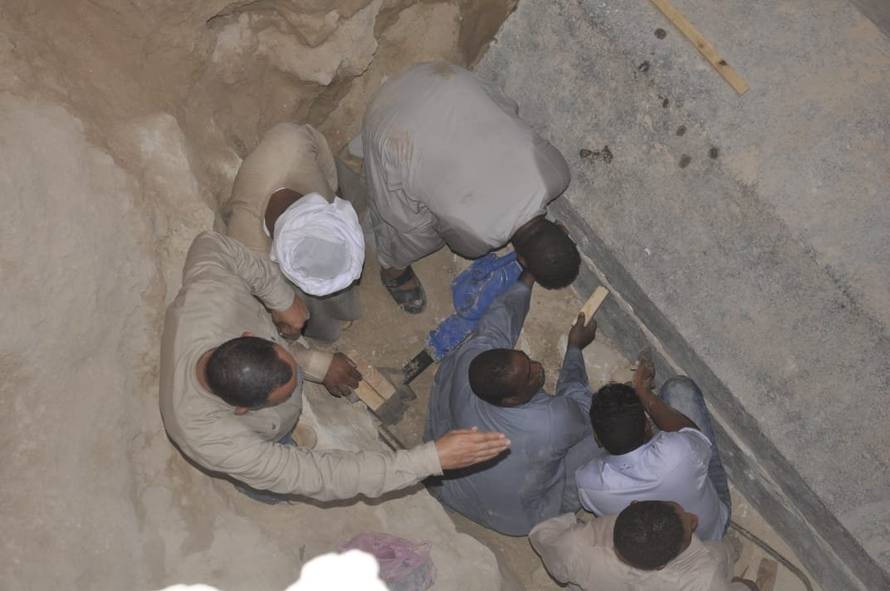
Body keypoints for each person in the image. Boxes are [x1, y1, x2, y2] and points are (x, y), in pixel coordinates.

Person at [159, 231, 510, 502]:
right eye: (283, 393)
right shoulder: (217, 441)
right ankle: (267, 478)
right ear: (242, 410)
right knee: (275, 481)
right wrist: (430, 460)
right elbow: (327, 476)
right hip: (258, 446)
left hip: (250, 368)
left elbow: (211, 244)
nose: (298, 379)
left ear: (250, 335)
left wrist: (281, 300)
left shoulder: (208, 299)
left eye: (287, 363)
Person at [360, 62, 580, 314]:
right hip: (389, 128)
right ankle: (392, 267)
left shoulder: (557, 175)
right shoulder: (477, 240)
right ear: (521, 260)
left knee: (506, 112)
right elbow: (438, 226)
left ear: (563, 229)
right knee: (415, 233)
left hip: (439, 77)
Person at [423, 269, 598, 535]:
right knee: (603, 427)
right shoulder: (550, 421)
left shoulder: (474, 359)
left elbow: (499, 320)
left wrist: (528, 277)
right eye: (530, 375)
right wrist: (574, 348)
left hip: (451, 487)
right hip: (516, 518)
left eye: (526, 360)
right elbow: (581, 404)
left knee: (463, 353)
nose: (538, 366)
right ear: (511, 399)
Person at [219, 122, 363, 343]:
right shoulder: (249, 248)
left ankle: (341, 309)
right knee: (302, 304)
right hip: (270, 262)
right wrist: (287, 323)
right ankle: (325, 327)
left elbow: (323, 155)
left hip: (314, 183)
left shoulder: (293, 143)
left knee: (333, 276)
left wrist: (332, 188)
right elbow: (268, 298)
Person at [574, 356, 731, 541]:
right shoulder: (679, 451)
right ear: (647, 425)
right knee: (678, 389)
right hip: (712, 533)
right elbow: (694, 435)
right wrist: (644, 393)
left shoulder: (588, 483)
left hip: (662, 551)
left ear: (597, 439)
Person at [530, 500, 759, 590]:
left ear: (633, 504)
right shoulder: (706, 577)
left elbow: (542, 534)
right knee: (724, 552)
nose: (693, 518)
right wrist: (747, 586)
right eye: (690, 526)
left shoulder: (573, 548)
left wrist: (575, 525)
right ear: (661, 565)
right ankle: (734, 549)